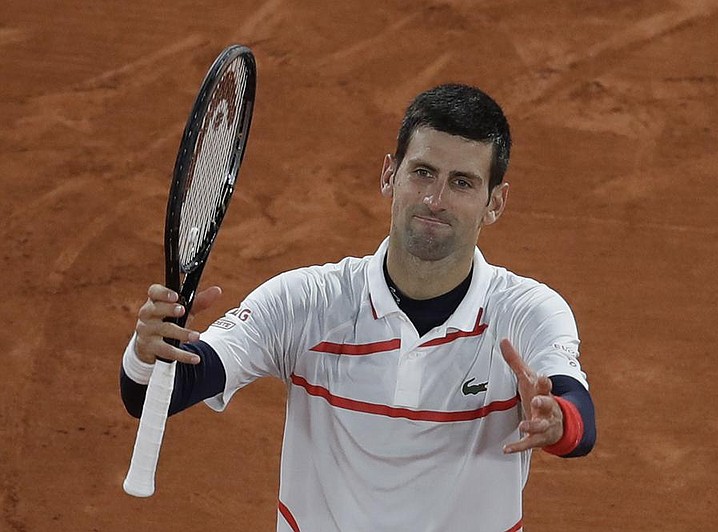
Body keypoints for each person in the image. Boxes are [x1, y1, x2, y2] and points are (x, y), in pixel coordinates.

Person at [120, 83, 596, 531]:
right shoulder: (305, 302)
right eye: (423, 172)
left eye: (463, 183)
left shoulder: (527, 312)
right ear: (390, 174)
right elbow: (155, 394)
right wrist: (150, 352)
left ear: (496, 202)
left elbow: (578, 417)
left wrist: (556, 420)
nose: (435, 199)